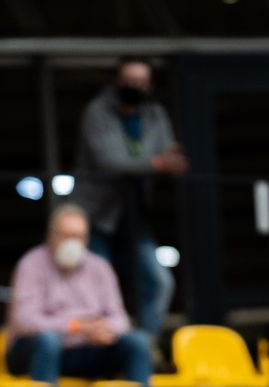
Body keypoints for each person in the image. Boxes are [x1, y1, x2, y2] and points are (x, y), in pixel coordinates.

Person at [74, 57, 184, 337]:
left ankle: (145, 346)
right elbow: (110, 161)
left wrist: (160, 162)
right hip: (96, 215)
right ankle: (101, 346)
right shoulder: (97, 112)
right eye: (129, 81)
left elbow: (169, 152)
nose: (135, 87)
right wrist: (156, 163)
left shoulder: (154, 114)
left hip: (135, 214)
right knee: (97, 285)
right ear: (116, 82)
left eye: (141, 82)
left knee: (159, 282)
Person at [3, 203, 152, 385]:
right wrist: (74, 326)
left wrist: (104, 330)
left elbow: (120, 318)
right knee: (48, 342)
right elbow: (25, 320)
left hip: (87, 349)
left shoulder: (100, 267)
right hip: (37, 350)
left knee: (137, 342)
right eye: (67, 236)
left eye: (79, 237)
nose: (73, 243)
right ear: (51, 236)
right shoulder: (31, 264)